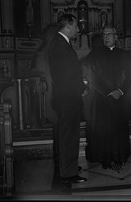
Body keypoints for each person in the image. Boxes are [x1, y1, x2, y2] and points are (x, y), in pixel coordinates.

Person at [83, 26, 131, 172]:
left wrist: (120, 90)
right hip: (101, 98)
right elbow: (90, 75)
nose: (106, 37)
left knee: (119, 128)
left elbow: (129, 75)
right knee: (103, 129)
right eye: (104, 35)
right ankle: (105, 158)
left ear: (116, 37)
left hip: (120, 98)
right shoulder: (94, 54)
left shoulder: (124, 55)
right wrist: (108, 91)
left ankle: (120, 157)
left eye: (109, 34)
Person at [48, 14, 88, 184]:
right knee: (69, 137)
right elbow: (67, 75)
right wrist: (82, 88)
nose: (78, 30)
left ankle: (66, 167)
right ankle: (68, 173)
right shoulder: (61, 46)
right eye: (76, 26)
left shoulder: (59, 43)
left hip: (64, 98)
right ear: (68, 26)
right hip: (68, 99)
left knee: (65, 136)